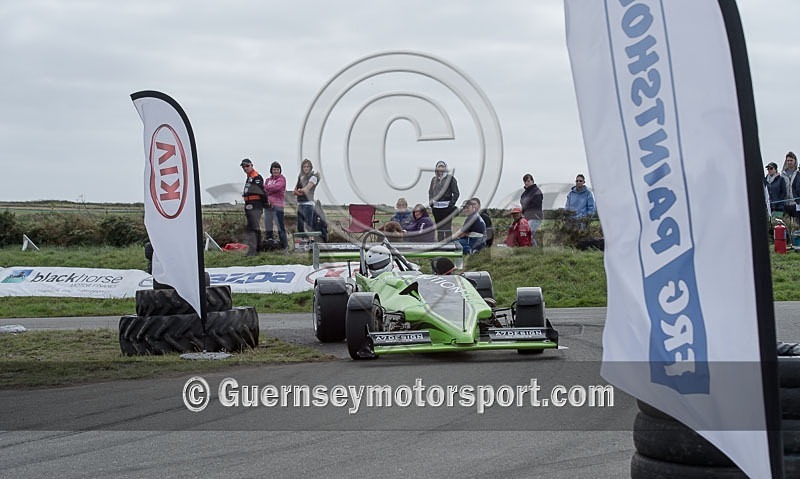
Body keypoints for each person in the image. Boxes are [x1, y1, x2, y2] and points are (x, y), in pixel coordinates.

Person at [240, 158, 267, 256]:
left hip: (255, 204)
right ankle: (256, 248)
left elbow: (261, 191)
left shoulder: (256, 177)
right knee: (252, 226)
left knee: (252, 227)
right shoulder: (249, 177)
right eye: (243, 166)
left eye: (247, 166)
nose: (245, 168)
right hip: (249, 203)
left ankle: (253, 249)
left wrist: (265, 203)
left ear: (252, 165)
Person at [428, 160, 460, 241]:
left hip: (447, 206)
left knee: (447, 228)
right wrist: (431, 203)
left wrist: (451, 204)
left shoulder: (451, 178)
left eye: (442, 166)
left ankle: (449, 247)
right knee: (439, 229)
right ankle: (440, 247)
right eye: (439, 166)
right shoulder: (434, 179)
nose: (441, 168)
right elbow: (430, 192)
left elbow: (456, 193)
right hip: (436, 208)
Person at [263, 161, 288, 250]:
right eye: (274, 169)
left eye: (277, 169)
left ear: (280, 170)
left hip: (277, 206)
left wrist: (266, 188)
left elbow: (277, 187)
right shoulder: (268, 180)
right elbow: (264, 190)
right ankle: (269, 245)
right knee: (268, 226)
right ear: (271, 170)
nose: (276, 171)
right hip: (267, 206)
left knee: (280, 226)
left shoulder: (282, 179)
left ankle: (285, 246)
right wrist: (267, 189)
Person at [293, 158, 320, 234]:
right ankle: (303, 241)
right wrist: (301, 191)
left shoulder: (313, 177)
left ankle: (311, 241)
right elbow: (294, 191)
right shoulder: (301, 177)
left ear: (310, 167)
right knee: (300, 226)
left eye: (308, 166)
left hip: (308, 204)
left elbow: (306, 190)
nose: (306, 168)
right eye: (304, 166)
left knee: (308, 225)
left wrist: (300, 190)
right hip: (300, 204)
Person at [520, 173, 543, 245]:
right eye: (525, 181)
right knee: (524, 234)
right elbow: (523, 204)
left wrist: (527, 204)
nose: (527, 183)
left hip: (535, 216)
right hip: (526, 217)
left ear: (532, 181)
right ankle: (532, 251)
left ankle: (534, 250)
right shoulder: (524, 194)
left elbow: (537, 204)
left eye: (528, 181)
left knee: (528, 234)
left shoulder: (537, 191)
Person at [782, 151, 799, 226]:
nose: (789, 162)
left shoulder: (798, 173)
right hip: (785, 203)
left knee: (797, 224)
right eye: (788, 160)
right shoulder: (782, 174)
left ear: (795, 161)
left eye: (791, 160)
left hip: (796, 203)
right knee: (786, 225)